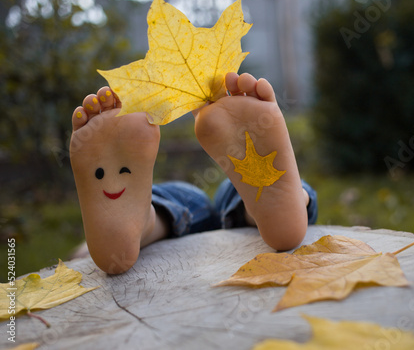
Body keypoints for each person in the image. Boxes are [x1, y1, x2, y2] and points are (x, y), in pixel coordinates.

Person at [70, 72, 317, 274]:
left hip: (183, 212)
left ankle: (148, 223)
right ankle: (271, 206)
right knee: (232, 193)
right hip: (240, 200)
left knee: (177, 199)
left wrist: (81, 250)